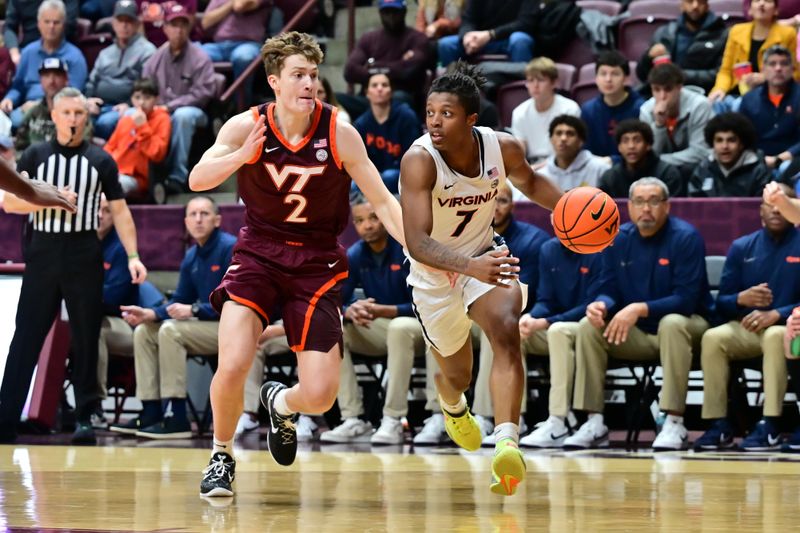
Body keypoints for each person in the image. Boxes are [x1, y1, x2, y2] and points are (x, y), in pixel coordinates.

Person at [187, 32, 406, 498]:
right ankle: (221, 455)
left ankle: (280, 402)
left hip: (317, 262)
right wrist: (242, 156)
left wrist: (420, 253)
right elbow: (196, 178)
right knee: (233, 361)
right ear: (274, 82)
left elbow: (384, 202)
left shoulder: (339, 132)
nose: (309, 84)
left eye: (313, 75)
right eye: (298, 76)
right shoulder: (244, 126)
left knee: (321, 394)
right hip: (258, 254)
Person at [399, 62, 561, 495]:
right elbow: (416, 241)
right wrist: (467, 267)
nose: (434, 121)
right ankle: (452, 404)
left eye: (446, 113)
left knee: (507, 330)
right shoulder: (419, 160)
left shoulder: (501, 148)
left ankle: (507, 442)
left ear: (472, 119)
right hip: (434, 275)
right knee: (458, 376)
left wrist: (570, 211)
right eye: (430, 111)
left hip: (484, 255)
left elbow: (530, 180)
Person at [0, 87, 146, 445]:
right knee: (26, 335)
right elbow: (9, 204)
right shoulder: (35, 154)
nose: (73, 120)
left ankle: (84, 418)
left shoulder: (101, 160)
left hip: (84, 252)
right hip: (44, 253)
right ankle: (5, 418)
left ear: (87, 117)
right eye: (66, 113)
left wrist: (133, 255)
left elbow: (121, 211)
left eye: (79, 114)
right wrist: (49, 200)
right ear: (53, 115)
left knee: (86, 336)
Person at [564, 177, 711, 451]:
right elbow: (608, 287)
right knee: (588, 326)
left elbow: (687, 299)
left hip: (688, 330)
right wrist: (602, 305)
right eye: (640, 201)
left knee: (672, 322)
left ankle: (674, 422)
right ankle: (594, 422)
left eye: (654, 201)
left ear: (666, 206)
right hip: (638, 334)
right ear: (629, 207)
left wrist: (639, 308)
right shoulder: (617, 238)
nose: (647, 208)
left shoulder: (686, 237)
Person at [109, 196, 236, 438]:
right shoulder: (191, 256)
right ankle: (150, 410)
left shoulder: (229, 248)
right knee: (145, 331)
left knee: (171, 331)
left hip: (229, 329)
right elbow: (179, 299)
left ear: (217, 220)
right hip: (204, 328)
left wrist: (196, 310)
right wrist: (150, 314)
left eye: (205, 214)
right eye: (193, 214)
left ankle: (177, 417)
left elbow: (235, 301)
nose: (198, 219)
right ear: (186, 221)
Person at [693, 183, 799, 451]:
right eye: (770, 203)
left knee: (777, 335)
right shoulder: (742, 247)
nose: (777, 208)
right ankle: (718, 423)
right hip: (748, 328)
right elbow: (722, 304)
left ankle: (770, 423)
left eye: (784, 202)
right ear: (760, 211)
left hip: (788, 329)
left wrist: (777, 313)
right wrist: (741, 299)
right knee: (713, 338)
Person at [320, 192, 424, 445]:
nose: (367, 225)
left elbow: (426, 306)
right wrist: (348, 310)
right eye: (359, 220)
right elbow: (335, 300)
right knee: (333, 330)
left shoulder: (409, 248)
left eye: (374, 217)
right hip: (383, 329)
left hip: (421, 328)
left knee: (399, 328)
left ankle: (392, 419)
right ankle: (353, 418)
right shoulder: (355, 255)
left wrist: (385, 311)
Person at [472, 183, 549, 445]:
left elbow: (535, 292)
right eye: (489, 201)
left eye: (502, 201)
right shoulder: (466, 238)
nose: (494, 208)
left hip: (520, 317)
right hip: (473, 312)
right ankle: (443, 415)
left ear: (513, 205)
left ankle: (499, 417)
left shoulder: (533, 240)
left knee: (496, 328)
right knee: (440, 328)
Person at [516, 235, 604, 448]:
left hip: (588, 325)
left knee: (557, 331)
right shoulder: (548, 249)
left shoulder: (597, 247)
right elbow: (546, 299)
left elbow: (590, 303)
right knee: (514, 332)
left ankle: (558, 421)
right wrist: (532, 317)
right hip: (555, 325)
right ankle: (512, 421)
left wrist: (546, 321)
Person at [94, 194, 164, 429]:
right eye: (96, 209)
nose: (99, 215)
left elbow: (112, 298)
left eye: (106, 211)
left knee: (94, 331)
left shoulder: (123, 247)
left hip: (124, 322)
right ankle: (54, 405)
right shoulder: (80, 243)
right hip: (86, 316)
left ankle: (95, 406)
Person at [142, 3, 217, 191]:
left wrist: (170, 106)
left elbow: (203, 93)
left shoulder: (200, 57)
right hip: (161, 110)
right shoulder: (155, 58)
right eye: (174, 25)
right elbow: (145, 88)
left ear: (189, 28)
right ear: (165, 28)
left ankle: (177, 176)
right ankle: (147, 178)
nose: (179, 30)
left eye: (183, 25)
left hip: (196, 112)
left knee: (182, 116)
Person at [0, 0, 88, 128]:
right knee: (9, 120)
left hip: (62, 111)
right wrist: (9, 99)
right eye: (47, 22)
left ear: (63, 25)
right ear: (39, 24)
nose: (51, 26)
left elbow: (74, 94)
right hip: (27, 107)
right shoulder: (28, 52)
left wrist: (40, 105)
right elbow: (18, 87)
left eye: (56, 22)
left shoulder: (75, 57)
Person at [342, 0, 432, 115]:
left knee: (401, 99)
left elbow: (409, 71)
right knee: (335, 100)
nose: (391, 16)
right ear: (380, 13)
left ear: (404, 11)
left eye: (395, 11)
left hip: (399, 99)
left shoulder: (418, 38)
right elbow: (349, 71)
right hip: (367, 100)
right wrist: (398, 65)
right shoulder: (368, 38)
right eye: (386, 12)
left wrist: (373, 66)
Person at [84, 0, 157, 139]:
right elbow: (91, 81)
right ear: (113, 23)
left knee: (105, 123)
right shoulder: (105, 53)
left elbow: (147, 87)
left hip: (128, 107)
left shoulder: (147, 51)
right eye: (120, 20)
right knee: (78, 117)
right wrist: (89, 100)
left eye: (129, 21)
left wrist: (130, 104)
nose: (124, 25)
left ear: (137, 24)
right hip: (100, 105)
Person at [708, 0, 798, 112]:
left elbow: (794, 73)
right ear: (749, 9)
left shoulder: (787, 34)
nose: (761, 4)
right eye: (756, 0)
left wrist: (766, 78)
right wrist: (720, 89)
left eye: (768, 1)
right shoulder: (736, 31)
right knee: (714, 103)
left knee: (738, 105)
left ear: (776, 10)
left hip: (767, 92)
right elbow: (725, 71)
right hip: (735, 91)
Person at [636, 0, 728, 96]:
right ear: (682, 5)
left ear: (707, 5)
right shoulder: (664, 32)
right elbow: (643, 75)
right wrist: (648, 57)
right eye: (690, 1)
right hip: (663, 93)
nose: (695, 6)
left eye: (700, 2)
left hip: (702, 94)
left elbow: (721, 74)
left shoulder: (722, 35)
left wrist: (680, 75)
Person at [353, 73, 421, 194]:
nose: (380, 88)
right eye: (374, 85)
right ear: (367, 93)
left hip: (401, 174)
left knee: (389, 177)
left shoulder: (406, 117)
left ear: (391, 91)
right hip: (373, 176)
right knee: (353, 184)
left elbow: (414, 158)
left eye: (384, 85)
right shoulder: (361, 124)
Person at [639, 64, 712, 175]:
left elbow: (700, 152)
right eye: (656, 90)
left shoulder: (699, 105)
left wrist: (660, 161)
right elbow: (650, 153)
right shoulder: (646, 110)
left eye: (668, 89)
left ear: (679, 87)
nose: (662, 96)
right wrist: (659, 125)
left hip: (695, 167)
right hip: (660, 170)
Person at [104, 78, 171, 197]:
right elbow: (109, 148)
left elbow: (157, 154)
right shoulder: (125, 121)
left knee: (113, 186)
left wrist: (142, 127)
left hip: (137, 178)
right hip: (115, 172)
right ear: (131, 99)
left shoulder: (162, 119)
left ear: (156, 99)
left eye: (147, 98)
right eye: (137, 97)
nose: (141, 102)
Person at [739, 45, 800, 174]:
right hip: (758, 159)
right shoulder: (749, 99)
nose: (778, 68)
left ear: (792, 68)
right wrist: (759, 158)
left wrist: (780, 158)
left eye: (784, 64)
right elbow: (742, 137)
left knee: (786, 168)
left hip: (794, 160)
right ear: (763, 69)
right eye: (772, 64)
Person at [510, 57, 580, 166]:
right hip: (532, 166)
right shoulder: (519, 112)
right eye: (531, 80)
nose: (535, 86)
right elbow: (520, 153)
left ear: (554, 83)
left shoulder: (569, 109)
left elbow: (569, 151)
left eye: (541, 80)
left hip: (562, 165)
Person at [199, 0, 271, 106]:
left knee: (243, 57)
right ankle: (203, 104)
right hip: (219, 46)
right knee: (195, 54)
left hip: (247, 44)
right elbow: (205, 23)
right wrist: (230, 4)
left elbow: (239, 6)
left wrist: (229, 5)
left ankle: (241, 106)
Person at [15, 58, 92, 152]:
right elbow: (20, 147)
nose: (51, 81)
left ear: (66, 79)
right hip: (33, 164)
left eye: (57, 75)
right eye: (47, 75)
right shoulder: (33, 112)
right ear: (41, 80)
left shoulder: (77, 113)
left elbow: (85, 147)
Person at [688, 112, 773, 197]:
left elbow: (764, 208)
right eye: (719, 140)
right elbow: (692, 206)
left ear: (742, 144)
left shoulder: (758, 173)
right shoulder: (703, 170)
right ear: (712, 143)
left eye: (731, 140)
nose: (725, 146)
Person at [581, 51, 644, 161]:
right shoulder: (588, 110)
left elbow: (643, 150)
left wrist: (613, 161)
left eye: (615, 74)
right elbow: (585, 149)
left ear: (626, 79)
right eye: (603, 74)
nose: (608, 79)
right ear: (596, 79)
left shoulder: (641, 108)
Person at [598, 119, 684, 198]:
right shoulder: (610, 178)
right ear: (619, 147)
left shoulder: (667, 174)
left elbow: (674, 209)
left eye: (637, 140)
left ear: (648, 145)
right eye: (625, 141)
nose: (631, 146)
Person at [436, 0, 536, 67]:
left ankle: (520, 91)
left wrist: (490, 34)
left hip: (508, 39)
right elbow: (468, 19)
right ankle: (453, 91)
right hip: (479, 40)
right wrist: (466, 37)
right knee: (446, 44)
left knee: (520, 40)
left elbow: (525, 23)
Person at [540, 115, 611, 191]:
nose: (563, 138)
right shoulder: (541, 175)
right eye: (558, 133)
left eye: (570, 134)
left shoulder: (601, 169)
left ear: (581, 141)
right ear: (551, 139)